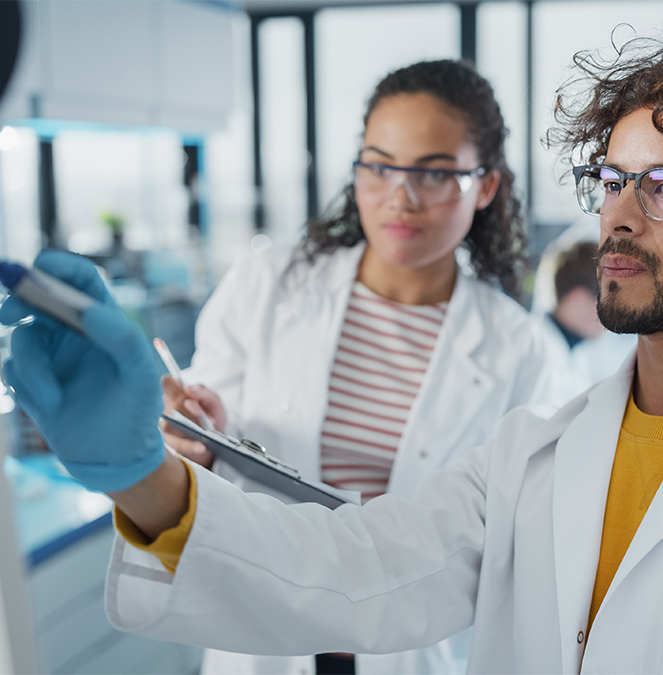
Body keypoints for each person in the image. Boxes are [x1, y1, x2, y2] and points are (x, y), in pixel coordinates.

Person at [0, 39, 663, 673]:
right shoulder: (535, 456)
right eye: (610, 179)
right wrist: (141, 470)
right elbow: (351, 567)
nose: (617, 217)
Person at [157, 59, 564, 675]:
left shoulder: (521, 351)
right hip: (269, 633)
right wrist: (198, 439)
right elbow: (207, 455)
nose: (399, 197)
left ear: (485, 187)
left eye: (433, 173)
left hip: (413, 649)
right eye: (379, 165)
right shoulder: (269, 286)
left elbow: (513, 539)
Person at [538, 240, 637, 397]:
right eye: (610, 302)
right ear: (578, 300)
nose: (615, 314)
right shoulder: (539, 357)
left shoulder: (574, 353)